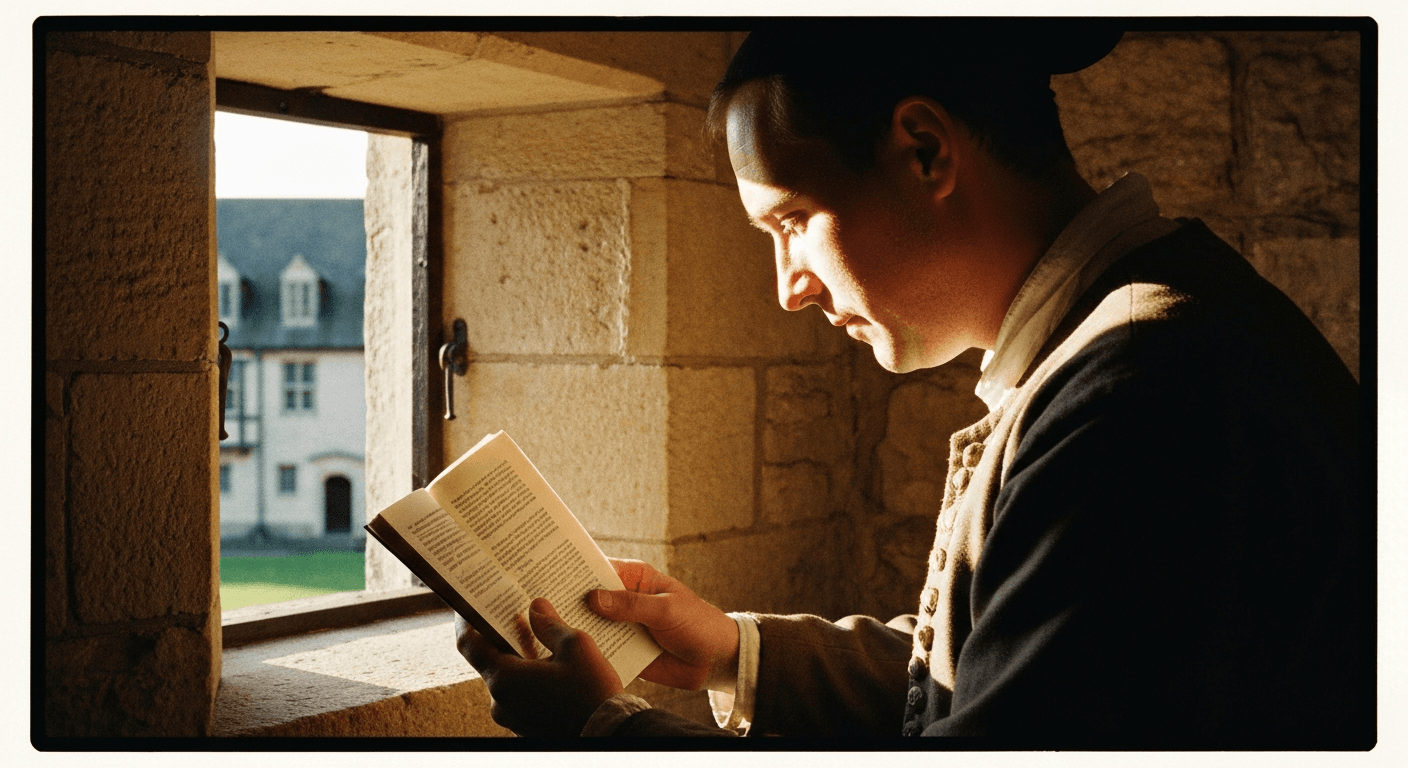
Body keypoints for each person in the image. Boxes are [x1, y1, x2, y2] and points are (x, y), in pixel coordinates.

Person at [456, 22, 1371, 746]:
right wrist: (738, 652)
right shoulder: (1126, 338)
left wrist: (595, 728)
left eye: (795, 221)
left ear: (926, 150)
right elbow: (1003, 674)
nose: (788, 287)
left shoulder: (1141, 389)